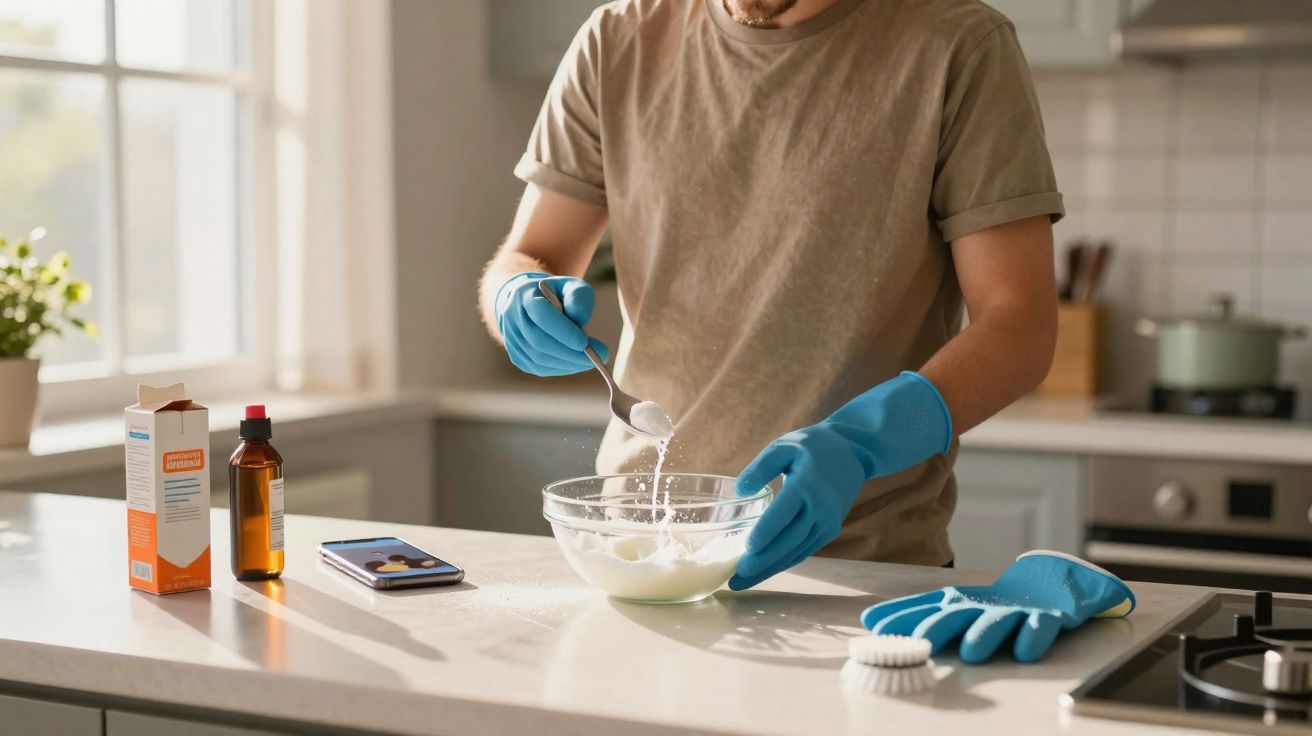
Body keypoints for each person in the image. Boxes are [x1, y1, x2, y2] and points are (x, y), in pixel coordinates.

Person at [479, 0, 1062, 590]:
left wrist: (863, 442)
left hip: (861, 569)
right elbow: (529, 254)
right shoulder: (618, 39)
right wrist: (516, 295)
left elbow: (1020, 324)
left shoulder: (958, 44)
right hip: (640, 548)